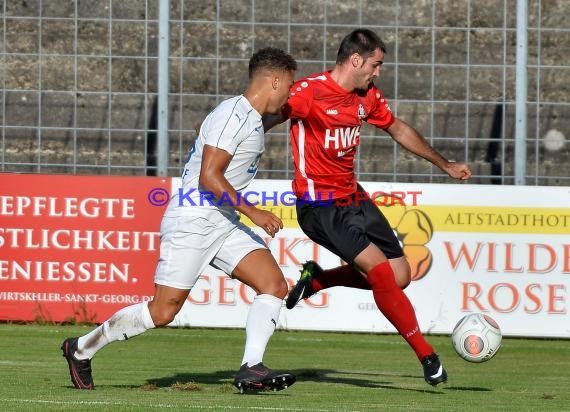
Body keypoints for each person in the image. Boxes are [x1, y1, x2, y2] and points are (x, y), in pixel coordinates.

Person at [61, 47, 298, 393]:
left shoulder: (246, 117)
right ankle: (81, 348)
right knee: (162, 312)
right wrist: (255, 212)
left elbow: (217, 127)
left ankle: (251, 368)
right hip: (193, 218)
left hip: (221, 220)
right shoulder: (234, 115)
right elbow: (209, 177)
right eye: (289, 87)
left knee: (273, 285)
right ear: (274, 80)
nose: (289, 94)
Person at [266, 29, 472, 386]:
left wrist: (445, 164)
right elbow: (266, 115)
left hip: (353, 197)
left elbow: (398, 129)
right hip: (319, 206)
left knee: (400, 275)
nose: (378, 72)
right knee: (379, 272)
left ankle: (318, 279)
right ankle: (428, 356)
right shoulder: (308, 93)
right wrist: (227, 138)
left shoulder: (367, 97)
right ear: (355, 60)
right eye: (375, 64)